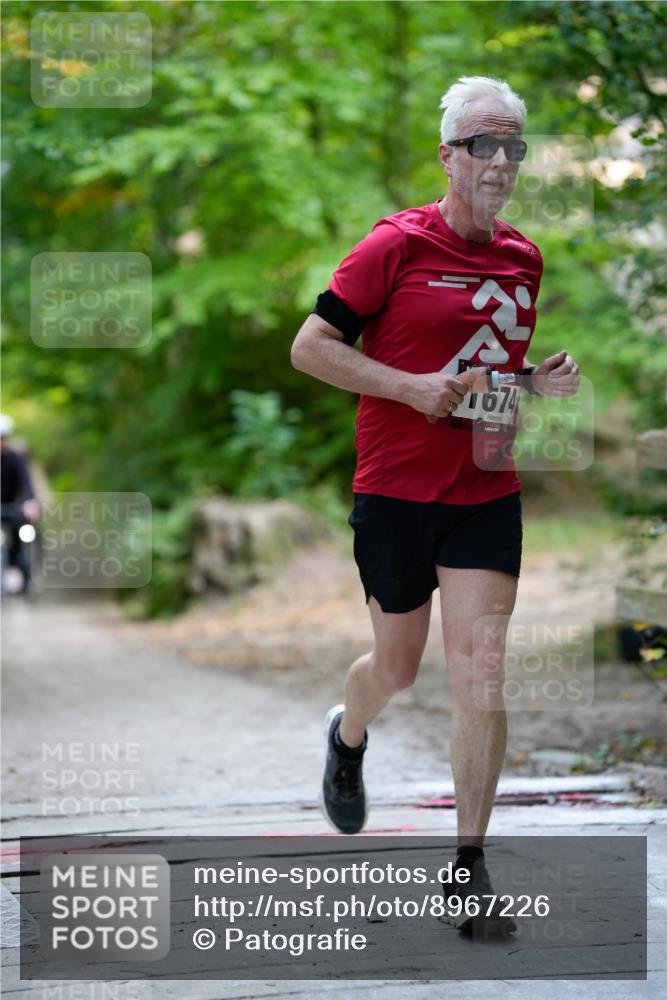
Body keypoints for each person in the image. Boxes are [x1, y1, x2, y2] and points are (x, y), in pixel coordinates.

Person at [291, 75, 580, 934]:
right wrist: (409, 389)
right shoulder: (394, 245)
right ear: (448, 153)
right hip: (394, 489)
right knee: (397, 668)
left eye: (513, 147)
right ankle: (348, 736)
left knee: (480, 673)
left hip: (484, 489)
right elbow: (311, 349)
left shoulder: (523, 257)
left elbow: (481, 373)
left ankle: (467, 867)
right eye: (482, 145)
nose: (500, 162)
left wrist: (532, 382)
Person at [1, 414, 39, 593]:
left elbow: (26, 483)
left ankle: (26, 578)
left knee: (23, 536)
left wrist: (30, 502)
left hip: (12, 507)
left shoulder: (15, 459)